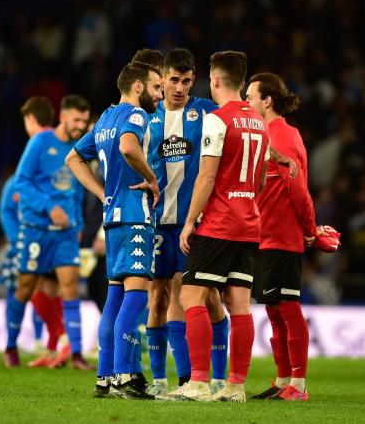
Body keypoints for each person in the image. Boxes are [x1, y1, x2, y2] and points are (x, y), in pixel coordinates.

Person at [173, 51, 270, 402]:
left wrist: (189, 222)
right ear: (241, 82)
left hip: (218, 223)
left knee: (191, 295)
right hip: (249, 222)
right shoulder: (259, 121)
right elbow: (259, 179)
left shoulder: (217, 120)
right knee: (239, 303)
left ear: (215, 80)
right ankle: (235, 386)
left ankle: (198, 382)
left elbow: (207, 176)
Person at [66, 60, 163, 399]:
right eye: (155, 87)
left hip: (112, 219)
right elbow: (127, 147)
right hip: (135, 216)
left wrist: (101, 192)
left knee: (114, 298)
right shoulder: (136, 116)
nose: (159, 94)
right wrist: (151, 179)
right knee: (136, 298)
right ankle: (126, 376)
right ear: (137, 87)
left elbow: (74, 158)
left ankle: (105, 377)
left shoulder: (105, 118)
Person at [143, 48, 228, 397]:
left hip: (194, 222)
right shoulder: (147, 120)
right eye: (174, 80)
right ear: (162, 80)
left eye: (187, 81)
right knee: (157, 295)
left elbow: (239, 137)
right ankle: (161, 380)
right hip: (158, 222)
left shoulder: (207, 111)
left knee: (199, 296)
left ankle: (205, 377)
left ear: (195, 81)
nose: (179, 87)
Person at [7, 95, 93, 370]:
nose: (81, 125)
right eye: (77, 120)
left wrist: (78, 224)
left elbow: (78, 191)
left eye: (84, 120)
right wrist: (48, 206)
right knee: (25, 288)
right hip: (36, 230)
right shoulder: (40, 143)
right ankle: (10, 345)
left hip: (66, 234)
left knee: (70, 288)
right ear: (63, 117)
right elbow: (21, 181)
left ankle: (77, 354)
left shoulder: (79, 149)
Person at [246, 72, 317, 401]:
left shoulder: (283, 136)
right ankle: (283, 378)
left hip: (283, 237)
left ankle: (299, 385)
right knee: (273, 310)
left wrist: (309, 228)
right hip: (263, 237)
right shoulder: (264, 135)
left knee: (288, 308)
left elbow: (298, 188)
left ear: (267, 101)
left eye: (250, 97)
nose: (246, 102)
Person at [0, 97, 63, 367]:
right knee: (45, 286)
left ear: (30, 120)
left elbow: (8, 203)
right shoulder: (56, 146)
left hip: (45, 232)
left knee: (37, 286)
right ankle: (52, 343)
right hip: (43, 231)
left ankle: (50, 345)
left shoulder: (40, 144)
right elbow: (7, 207)